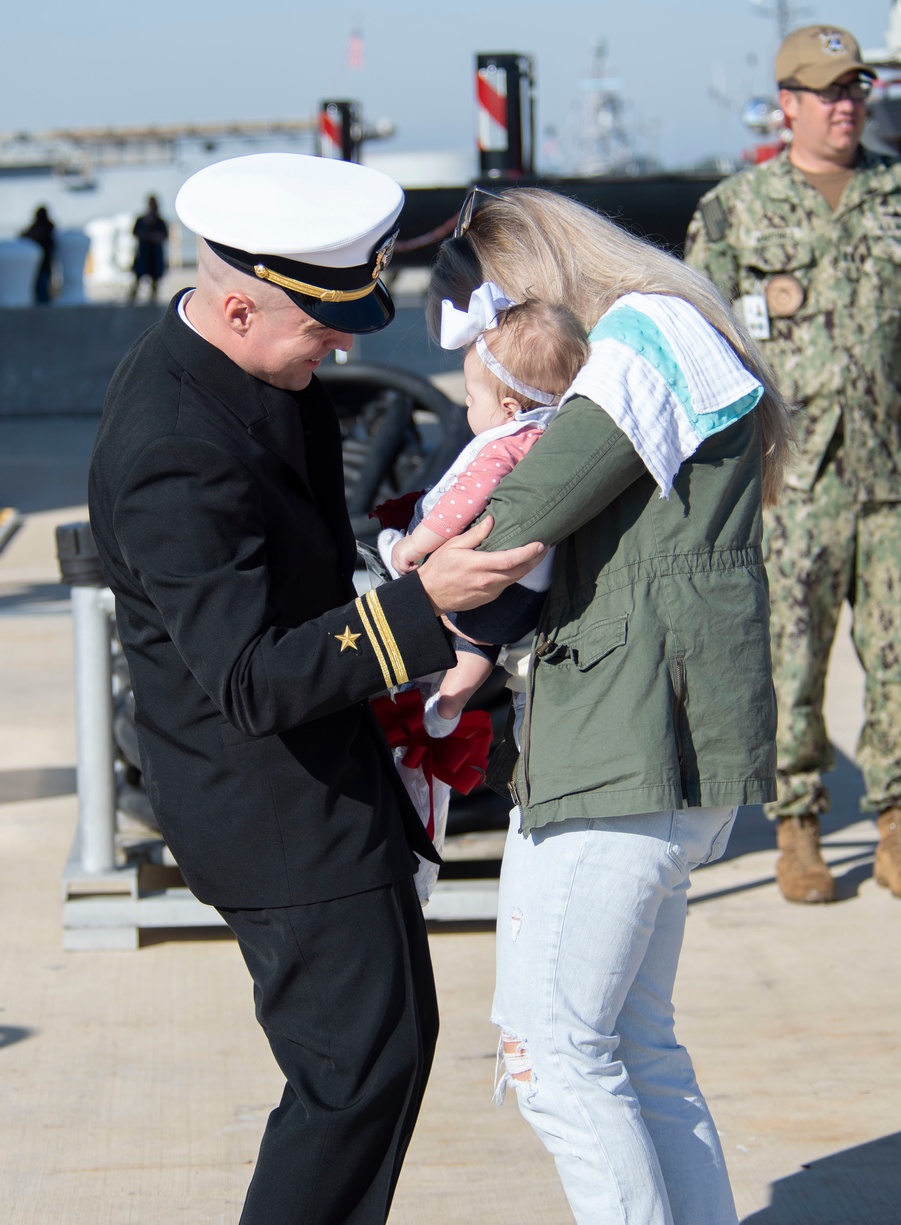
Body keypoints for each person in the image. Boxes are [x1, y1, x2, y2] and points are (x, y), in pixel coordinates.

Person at [87, 153, 544, 1225]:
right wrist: (421, 605)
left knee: (380, 1054)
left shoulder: (244, 372)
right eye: (324, 324)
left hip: (318, 771)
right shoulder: (173, 446)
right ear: (238, 303)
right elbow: (245, 679)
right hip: (272, 806)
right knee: (355, 1075)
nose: (344, 342)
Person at [427, 185, 790, 1225]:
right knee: (633, 1042)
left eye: (500, 313)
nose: (505, 342)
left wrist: (417, 560)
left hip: (628, 732)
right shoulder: (677, 330)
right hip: (651, 730)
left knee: (550, 1050)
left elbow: (523, 513)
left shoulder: (641, 334)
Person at [686, 24, 901, 904]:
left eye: (855, 89)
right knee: (791, 659)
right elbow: (701, 343)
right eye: (826, 92)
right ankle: (799, 827)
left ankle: (898, 823)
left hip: (897, 474)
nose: (845, 105)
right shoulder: (735, 209)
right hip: (793, 481)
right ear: (788, 105)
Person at [385, 288, 588, 736]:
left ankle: (396, 558)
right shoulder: (556, 437)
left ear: (509, 409)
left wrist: (416, 546)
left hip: (480, 579)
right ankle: (451, 703)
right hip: (525, 594)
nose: (466, 407)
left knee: (457, 627)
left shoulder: (506, 445)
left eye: (472, 400)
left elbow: (464, 502)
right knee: (480, 648)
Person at [129, 194, 169, 302]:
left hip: (154, 254)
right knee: (138, 277)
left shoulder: (159, 221)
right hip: (144, 253)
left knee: (155, 280)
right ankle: (132, 297)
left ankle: (153, 299)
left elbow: (164, 236)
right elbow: (135, 233)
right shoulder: (142, 220)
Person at [20, 205, 55, 304]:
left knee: (40, 285)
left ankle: (42, 304)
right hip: (46, 262)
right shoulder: (50, 229)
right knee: (44, 284)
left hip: (38, 262)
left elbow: (26, 236)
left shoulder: (38, 228)